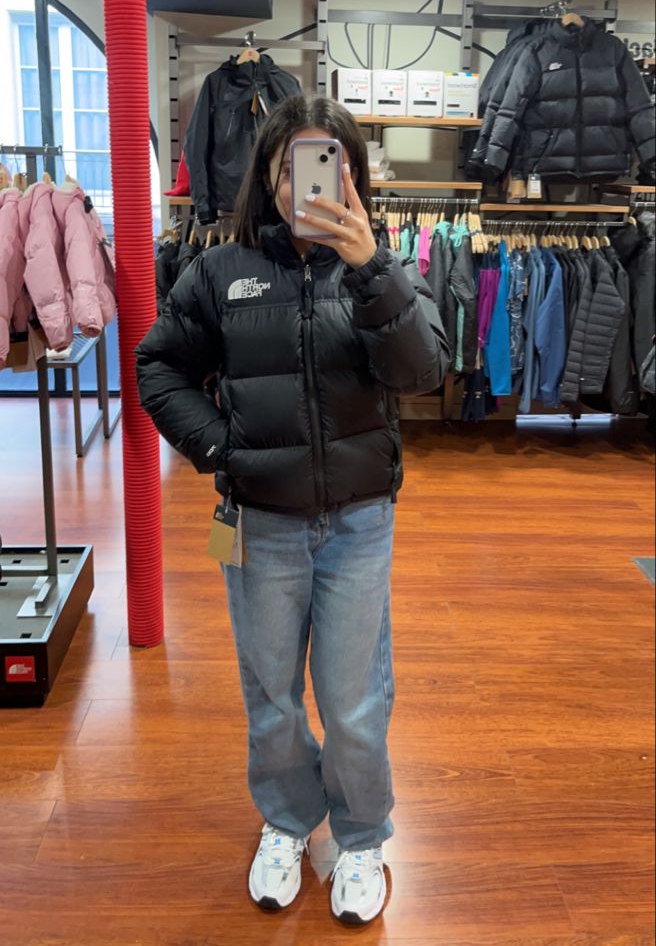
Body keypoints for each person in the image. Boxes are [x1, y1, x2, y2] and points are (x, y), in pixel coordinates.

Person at [136, 93, 449, 925]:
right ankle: (285, 820)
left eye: (327, 164)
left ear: (353, 175)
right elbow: (159, 366)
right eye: (291, 166)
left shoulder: (385, 266)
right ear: (269, 176)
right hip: (261, 524)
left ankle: (361, 835)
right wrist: (221, 449)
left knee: (353, 698)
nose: (305, 184)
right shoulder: (220, 272)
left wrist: (371, 270)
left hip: (358, 522)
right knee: (271, 692)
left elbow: (423, 373)